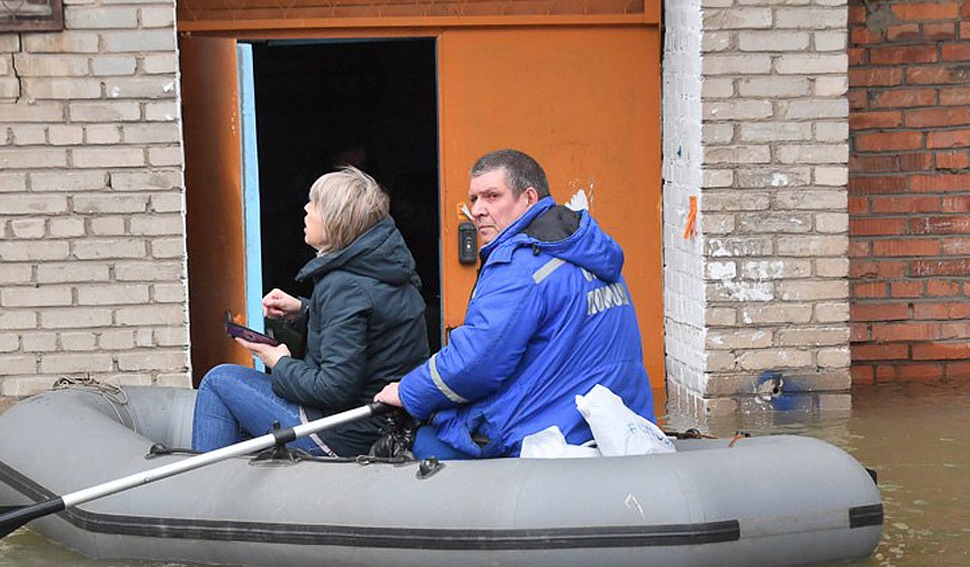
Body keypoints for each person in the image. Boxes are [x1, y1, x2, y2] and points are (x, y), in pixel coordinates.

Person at [374, 149, 654, 459]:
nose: (478, 210)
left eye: (492, 196)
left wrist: (407, 391)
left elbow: (477, 363)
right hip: (615, 426)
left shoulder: (520, 265)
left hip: (557, 434)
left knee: (421, 442)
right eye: (474, 199)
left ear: (529, 198)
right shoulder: (589, 251)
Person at [192, 166, 429, 456]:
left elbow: (333, 388)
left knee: (218, 381)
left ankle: (202, 492)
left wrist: (279, 362)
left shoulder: (343, 286)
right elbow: (370, 321)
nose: (305, 209)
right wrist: (303, 309)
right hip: (388, 426)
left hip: (343, 432)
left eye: (314, 204)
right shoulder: (387, 269)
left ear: (335, 221)